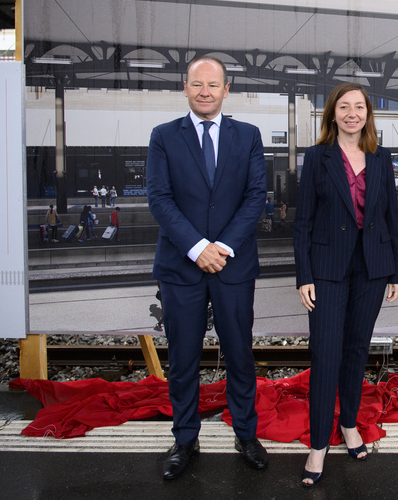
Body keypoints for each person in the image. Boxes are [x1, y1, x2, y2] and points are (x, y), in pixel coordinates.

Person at [146, 56, 268, 480]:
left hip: (233, 264)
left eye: (212, 85)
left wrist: (223, 247)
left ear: (226, 89)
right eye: (197, 84)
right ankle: (184, 439)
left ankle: (246, 433)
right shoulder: (163, 137)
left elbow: (256, 197)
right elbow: (159, 199)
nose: (204, 91)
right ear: (185, 88)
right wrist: (198, 248)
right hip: (182, 266)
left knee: (239, 354)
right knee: (182, 358)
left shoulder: (248, 136)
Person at [293, 83, 398, 487]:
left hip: (372, 267)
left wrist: (396, 271)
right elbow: (302, 222)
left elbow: (391, 217)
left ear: (367, 114)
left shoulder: (380, 157)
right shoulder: (317, 157)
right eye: (345, 107)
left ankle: (351, 424)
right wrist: (303, 274)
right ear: (333, 114)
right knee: (325, 353)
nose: (352, 113)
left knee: (357, 349)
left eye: (359, 107)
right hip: (326, 268)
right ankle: (319, 443)